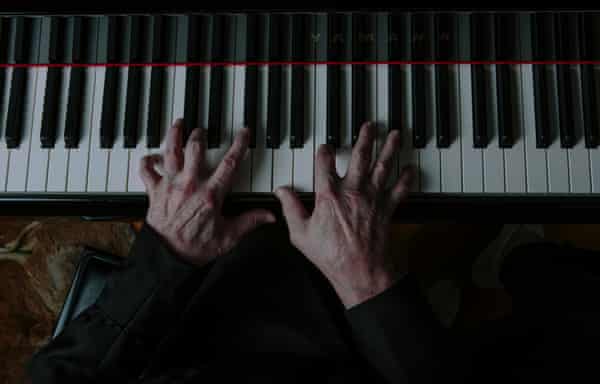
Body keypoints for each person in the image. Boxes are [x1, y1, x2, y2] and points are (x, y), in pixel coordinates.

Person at [26, 119, 600, 383]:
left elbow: (62, 373)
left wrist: (170, 251)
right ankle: (510, 264)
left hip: (180, 335)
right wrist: (367, 279)